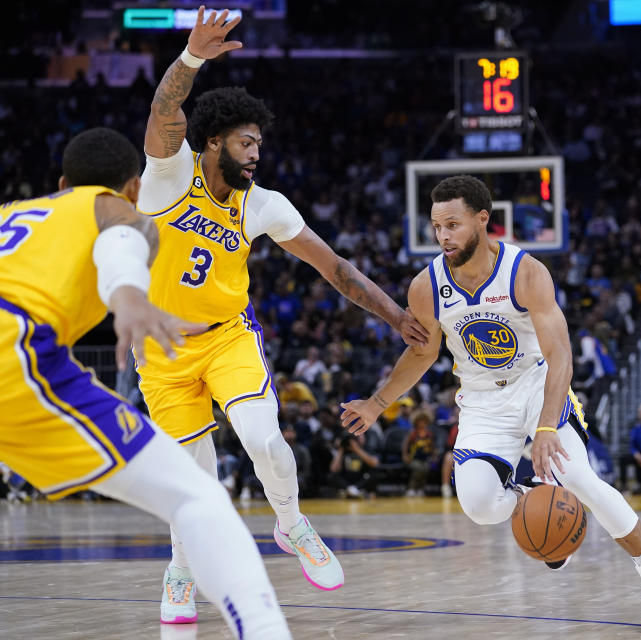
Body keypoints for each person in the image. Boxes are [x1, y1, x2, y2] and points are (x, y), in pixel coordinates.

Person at [136, 9, 428, 621]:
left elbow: (337, 269)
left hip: (226, 339)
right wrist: (191, 57)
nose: (257, 154)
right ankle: (180, 569)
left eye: (260, 144)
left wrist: (394, 314)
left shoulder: (262, 204)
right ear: (214, 141)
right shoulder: (168, 176)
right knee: (194, 479)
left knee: (264, 437)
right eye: (248, 143)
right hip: (159, 347)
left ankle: (292, 526)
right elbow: (166, 110)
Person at [340, 176, 641, 633]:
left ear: (482, 220)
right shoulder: (425, 287)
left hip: (536, 383)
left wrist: (546, 427)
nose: (443, 236)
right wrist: (376, 403)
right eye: (436, 226)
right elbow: (423, 353)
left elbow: (560, 353)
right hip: (483, 399)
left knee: (578, 476)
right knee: (479, 505)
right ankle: (539, 501)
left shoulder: (525, 273)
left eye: (453, 224)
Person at [0, 127, 290, 638]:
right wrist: (130, 296)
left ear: (62, 181)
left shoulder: (11, 213)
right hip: (14, 355)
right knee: (198, 496)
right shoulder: (112, 207)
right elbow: (120, 239)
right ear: (134, 188)